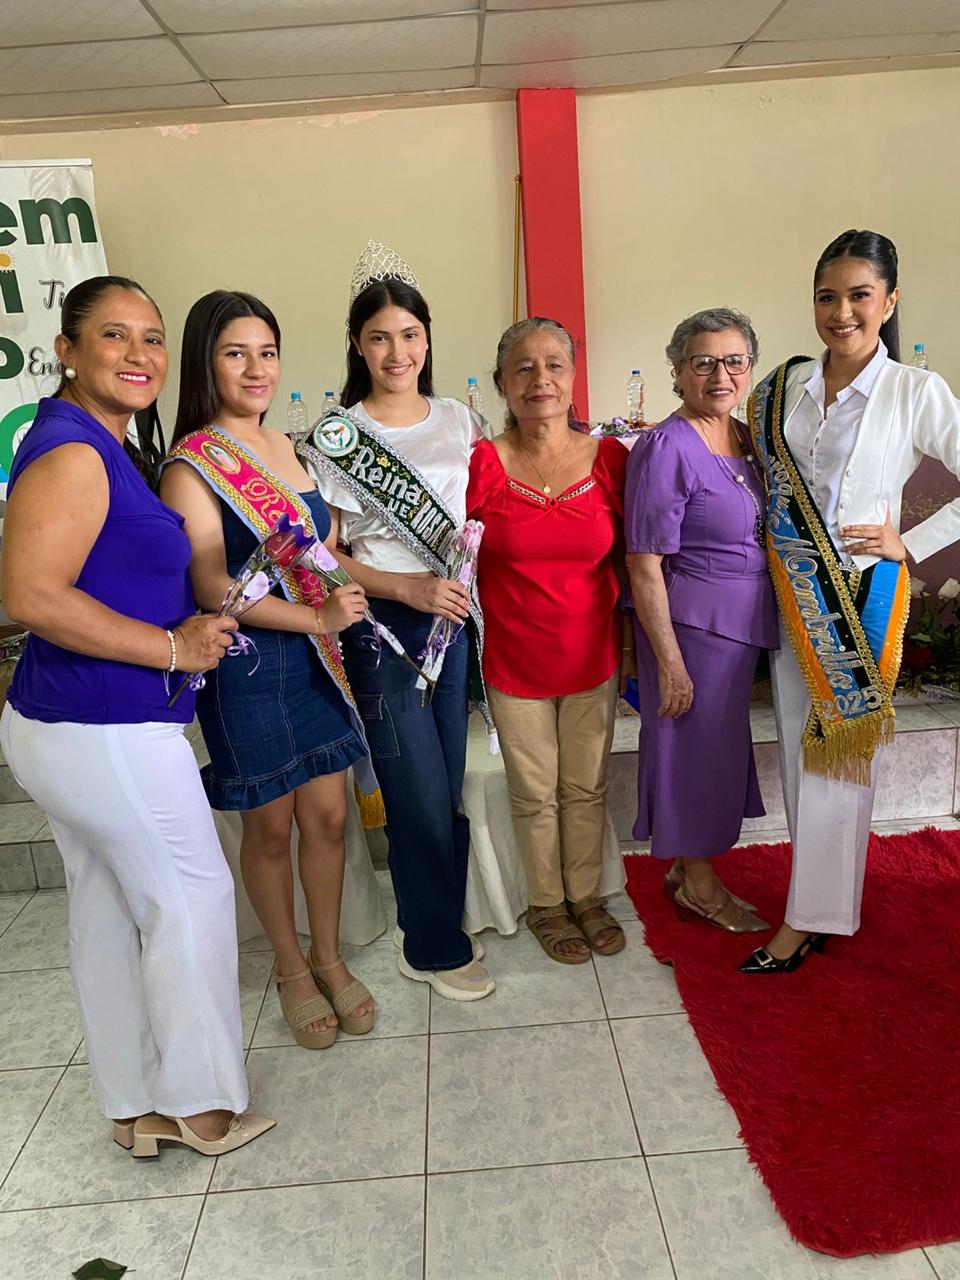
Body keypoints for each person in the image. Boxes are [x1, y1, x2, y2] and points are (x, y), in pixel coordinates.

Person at [0, 275, 273, 1158]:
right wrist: (171, 648)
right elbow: (31, 594)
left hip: (75, 724)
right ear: (67, 350)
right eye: (114, 335)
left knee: (112, 910)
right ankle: (202, 1106)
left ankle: (135, 1106)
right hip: (103, 727)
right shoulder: (75, 453)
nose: (139, 354)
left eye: (152, 337)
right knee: (192, 898)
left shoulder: (97, 442)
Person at [161, 290, 377, 1046]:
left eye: (268, 353)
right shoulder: (192, 464)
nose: (257, 369)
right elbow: (210, 585)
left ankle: (328, 954)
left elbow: (321, 551)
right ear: (206, 363)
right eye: (236, 354)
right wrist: (316, 619)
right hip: (249, 670)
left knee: (329, 816)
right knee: (272, 827)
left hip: (318, 662)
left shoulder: (291, 447)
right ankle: (290, 966)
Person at [741, 229, 960, 973]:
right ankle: (822, 901)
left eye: (860, 295)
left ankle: (807, 920)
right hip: (789, 590)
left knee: (836, 756)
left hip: (861, 594)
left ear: (889, 301)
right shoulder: (786, 387)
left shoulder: (914, 391)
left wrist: (912, 543)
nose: (842, 312)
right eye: (827, 296)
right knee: (802, 748)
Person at [299, 240, 495, 1001]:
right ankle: (434, 948)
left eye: (410, 334)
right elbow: (325, 554)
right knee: (414, 791)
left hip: (453, 619)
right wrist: (405, 589)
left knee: (445, 784)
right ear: (357, 344)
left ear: (428, 336)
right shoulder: (337, 435)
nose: (397, 352)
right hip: (384, 626)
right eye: (379, 337)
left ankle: (438, 915)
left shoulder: (459, 420)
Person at [466, 317, 628, 963]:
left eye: (555, 364)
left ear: (573, 376)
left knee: (586, 788)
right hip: (514, 661)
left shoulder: (611, 461)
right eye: (524, 368)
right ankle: (546, 904)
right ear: (503, 383)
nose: (541, 380)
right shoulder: (483, 463)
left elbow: (637, 559)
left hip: (593, 656)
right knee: (534, 795)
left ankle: (586, 896)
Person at [625, 309, 776, 934]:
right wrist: (669, 661)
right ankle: (700, 887)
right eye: (703, 362)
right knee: (691, 751)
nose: (720, 375)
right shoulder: (668, 445)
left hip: (740, 625)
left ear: (750, 368)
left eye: (734, 361)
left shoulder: (747, 437)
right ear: (679, 373)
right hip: (690, 627)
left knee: (717, 751)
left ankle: (690, 870)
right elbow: (643, 562)